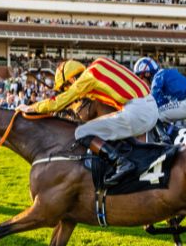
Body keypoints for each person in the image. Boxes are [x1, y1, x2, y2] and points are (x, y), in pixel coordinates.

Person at [17, 58, 157, 185]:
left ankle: (121, 163)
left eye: (65, 87)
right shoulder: (101, 65)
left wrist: (31, 107)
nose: (67, 89)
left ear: (71, 80)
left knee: (81, 132)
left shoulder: (88, 76)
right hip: (150, 107)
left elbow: (63, 99)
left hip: (138, 112)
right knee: (110, 127)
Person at [132, 57, 186, 143]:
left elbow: (152, 100)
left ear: (147, 74)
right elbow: (161, 102)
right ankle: (170, 134)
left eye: (140, 78)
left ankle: (164, 139)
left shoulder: (158, 76)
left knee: (155, 115)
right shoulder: (163, 75)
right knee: (161, 112)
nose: (141, 82)